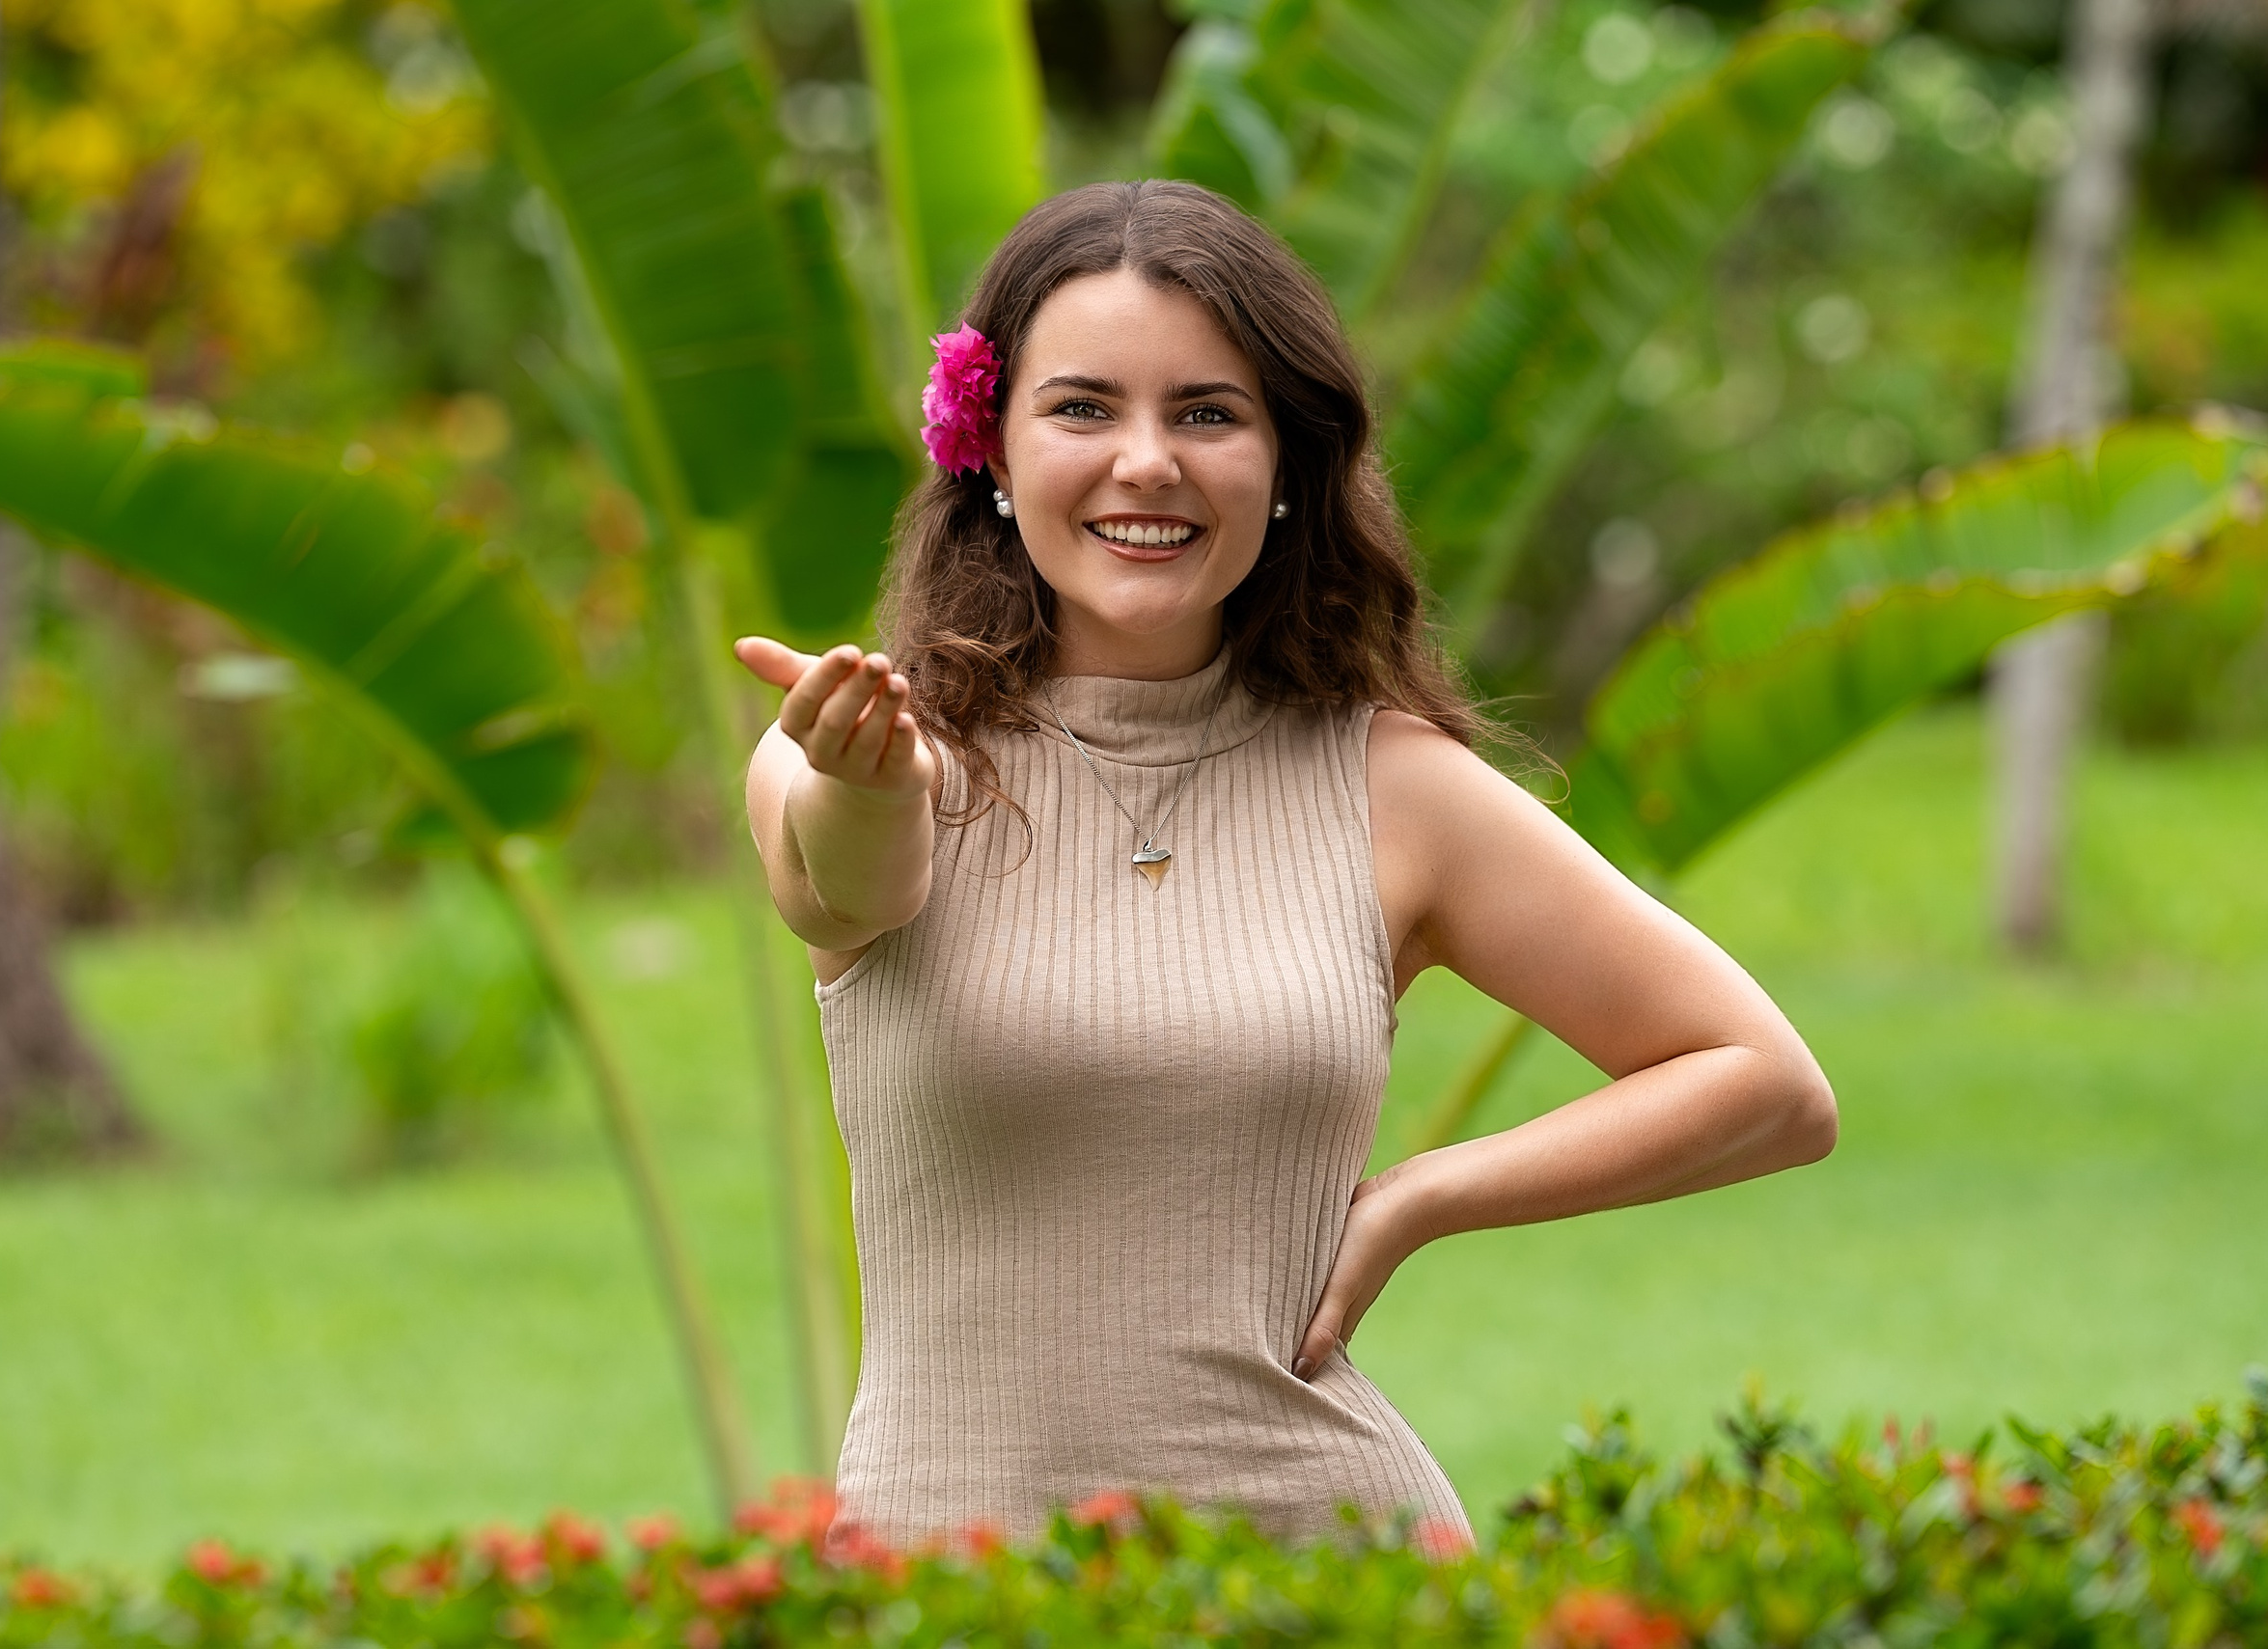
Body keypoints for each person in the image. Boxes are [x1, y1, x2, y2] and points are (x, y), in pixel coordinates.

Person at [733, 179, 1836, 1547]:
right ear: (993, 456)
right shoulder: (862, 757)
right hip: (947, 1590)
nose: (1148, 462)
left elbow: (1768, 1085)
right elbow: (851, 885)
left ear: (1288, 466)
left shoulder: (1397, 788)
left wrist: (1422, 1197)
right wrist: (870, 783)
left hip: (1329, 1574)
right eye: (1083, 409)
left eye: (1209, 413)